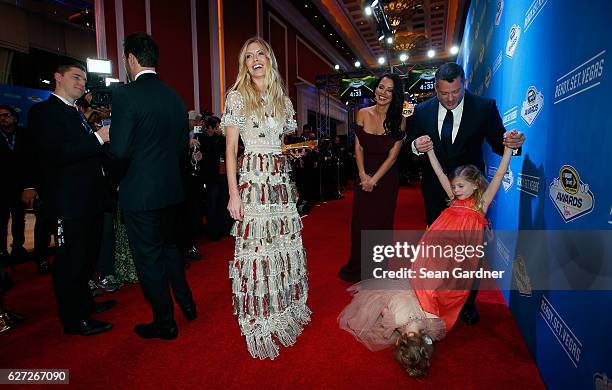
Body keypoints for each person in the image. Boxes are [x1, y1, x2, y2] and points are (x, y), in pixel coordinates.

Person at [338, 139, 517, 377]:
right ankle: (418, 324)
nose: (456, 190)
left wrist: (507, 150)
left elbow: (499, 175)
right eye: (454, 187)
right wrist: (431, 152)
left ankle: (423, 321)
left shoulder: (479, 206)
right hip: (432, 253)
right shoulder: (453, 200)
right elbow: (440, 173)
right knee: (425, 291)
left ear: (475, 185)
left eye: (461, 186)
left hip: (457, 261)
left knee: (443, 293)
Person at [408, 62, 525, 324]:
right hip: (435, 192)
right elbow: (410, 145)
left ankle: (468, 303)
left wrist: (512, 144)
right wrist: (416, 145)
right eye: (443, 93)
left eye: (456, 92)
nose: (450, 98)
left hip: (470, 194)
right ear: (435, 89)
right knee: (437, 254)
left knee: (469, 254)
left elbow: (500, 141)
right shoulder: (422, 110)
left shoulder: (483, 107)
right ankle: (435, 299)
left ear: (464, 84)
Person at [222, 37, 310, 360]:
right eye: (249, 56)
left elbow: (278, 142)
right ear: (244, 64)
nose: (255, 59)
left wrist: (290, 153)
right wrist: (234, 194)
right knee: (257, 250)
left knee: (282, 245)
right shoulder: (237, 98)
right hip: (253, 182)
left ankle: (284, 307)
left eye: (260, 54)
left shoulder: (283, 101)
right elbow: (231, 151)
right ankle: (259, 317)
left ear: (269, 59)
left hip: (279, 183)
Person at [105, 32, 195, 340]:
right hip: (171, 191)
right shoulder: (175, 97)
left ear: (131, 58)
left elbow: (118, 151)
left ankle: (165, 322)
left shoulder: (125, 95)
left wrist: (106, 148)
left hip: (140, 193)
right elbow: (182, 148)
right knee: (170, 249)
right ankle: (188, 305)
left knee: (149, 258)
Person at [25, 62, 114, 336]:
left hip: (88, 200)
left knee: (86, 257)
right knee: (70, 262)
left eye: (84, 79)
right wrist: (99, 138)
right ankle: (73, 319)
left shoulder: (75, 112)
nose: (81, 83)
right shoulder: (43, 112)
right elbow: (56, 154)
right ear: (58, 77)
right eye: (76, 77)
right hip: (67, 202)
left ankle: (85, 304)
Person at [337, 73, 406, 283]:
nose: (383, 93)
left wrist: (374, 179)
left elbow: (393, 157)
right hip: (363, 175)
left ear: (395, 95)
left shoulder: (399, 120)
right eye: (380, 87)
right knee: (360, 224)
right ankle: (358, 267)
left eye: (389, 90)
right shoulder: (362, 113)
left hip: (385, 179)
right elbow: (358, 147)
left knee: (381, 225)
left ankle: (377, 269)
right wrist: (362, 175)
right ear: (375, 89)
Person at [0, 105, 29, 263]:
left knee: (19, 218)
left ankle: (18, 247)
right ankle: (2, 250)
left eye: (6, 115)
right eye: (0, 116)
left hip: (19, 186)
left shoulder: (24, 135)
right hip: (2, 186)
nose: (3, 118)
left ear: (14, 117)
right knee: (1, 220)